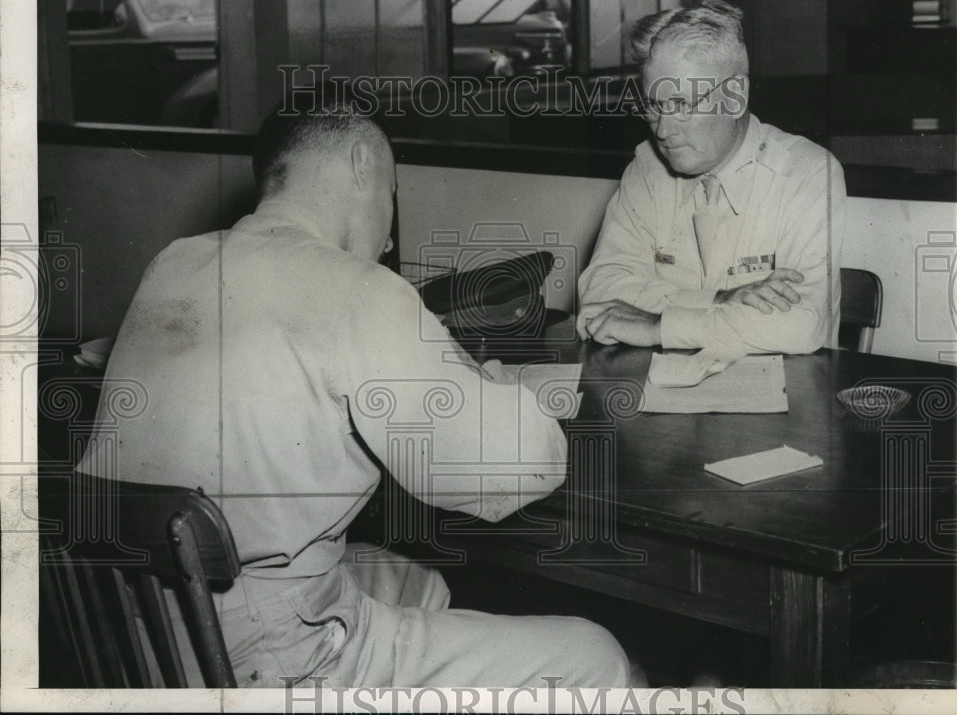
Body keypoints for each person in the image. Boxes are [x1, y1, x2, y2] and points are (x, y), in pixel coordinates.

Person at [76, 103, 632, 689]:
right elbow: (506, 471)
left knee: (415, 582)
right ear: (362, 163)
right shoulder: (358, 287)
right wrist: (509, 395)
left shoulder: (174, 260)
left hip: (147, 627)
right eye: (392, 191)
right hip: (270, 655)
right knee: (594, 655)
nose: (390, 232)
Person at [577, 0, 846, 358]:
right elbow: (600, 294)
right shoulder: (647, 167)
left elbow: (802, 326)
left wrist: (658, 326)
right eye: (653, 106)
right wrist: (718, 300)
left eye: (683, 105)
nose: (663, 129)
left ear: (735, 97)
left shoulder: (807, 172)